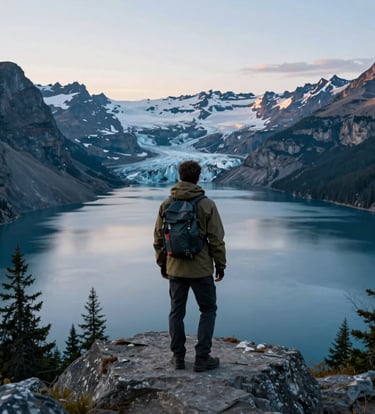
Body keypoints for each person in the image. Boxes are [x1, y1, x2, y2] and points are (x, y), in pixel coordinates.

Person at [153, 160, 226, 372]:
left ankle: (178, 358)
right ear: (198, 177)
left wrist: (163, 264)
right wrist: (220, 265)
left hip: (175, 267)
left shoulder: (167, 204)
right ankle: (203, 358)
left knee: (176, 311)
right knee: (208, 310)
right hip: (201, 269)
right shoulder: (206, 204)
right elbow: (216, 239)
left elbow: (158, 238)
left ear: (179, 175)